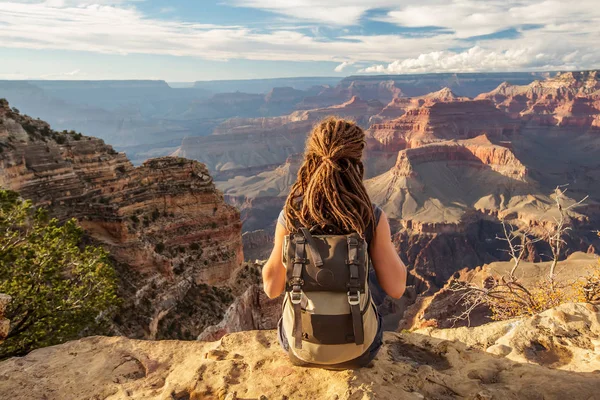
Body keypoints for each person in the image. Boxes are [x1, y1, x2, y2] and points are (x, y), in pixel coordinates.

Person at [262, 117, 407, 369]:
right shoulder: (369, 216)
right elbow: (396, 288)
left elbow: (271, 288)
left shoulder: (291, 215)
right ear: (357, 160)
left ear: (312, 157)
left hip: (301, 349)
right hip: (358, 351)